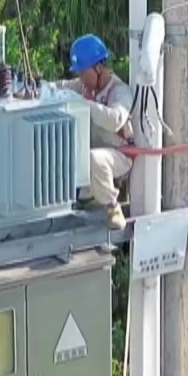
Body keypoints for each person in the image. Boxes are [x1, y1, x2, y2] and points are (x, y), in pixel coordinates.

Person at [57, 33, 135, 229]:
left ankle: (112, 207)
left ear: (98, 68)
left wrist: (85, 104)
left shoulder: (119, 91)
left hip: (119, 156)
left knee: (94, 159)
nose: (81, 78)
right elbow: (61, 88)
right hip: (94, 156)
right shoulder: (84, 87)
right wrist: (38, 87)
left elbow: (115, 120)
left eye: (83, 72)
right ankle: (82, 196)